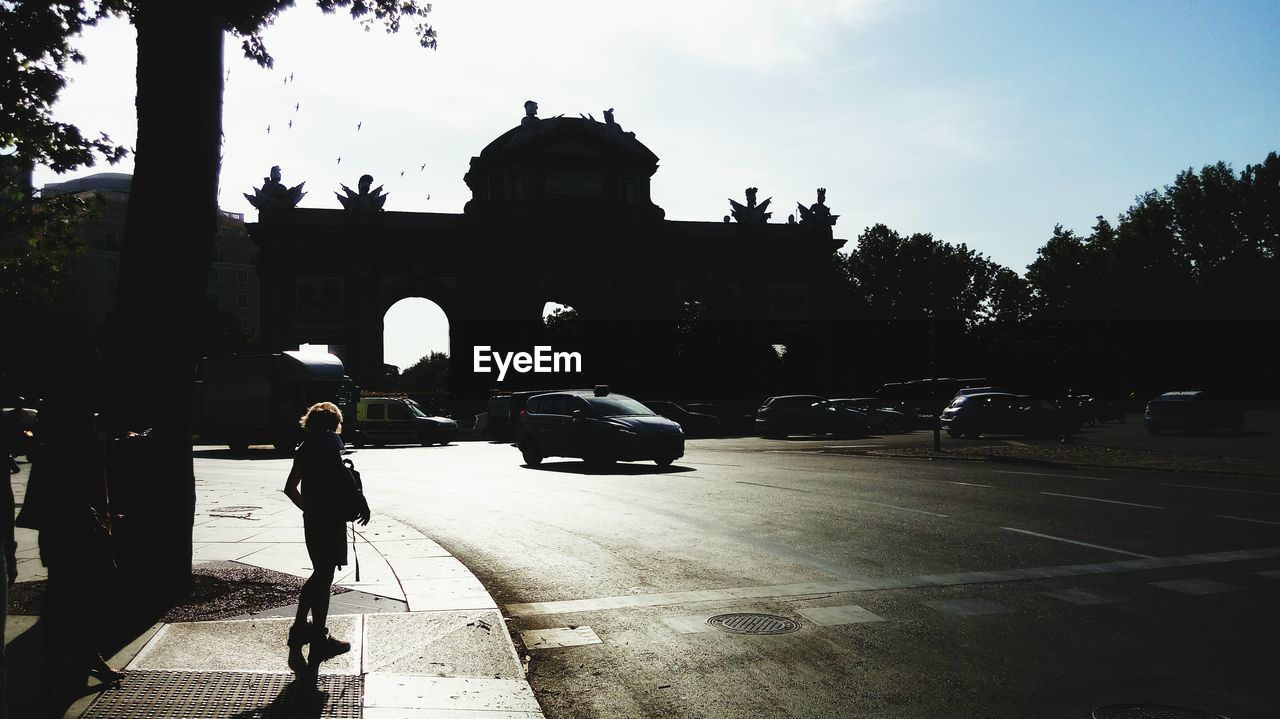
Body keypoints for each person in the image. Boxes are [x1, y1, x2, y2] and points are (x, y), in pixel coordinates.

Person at [21, 391, 124, 713]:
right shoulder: (76, 446)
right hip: (80, 533)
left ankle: (58, 666)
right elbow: (86, 489)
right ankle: (81, 659)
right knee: (86, 598)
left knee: (61, 599)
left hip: (62, 533)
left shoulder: (51, 448)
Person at [282, 402, 370, 674]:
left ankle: (309, 632)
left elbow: (290, 488)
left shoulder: (305, 447)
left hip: (313, 520)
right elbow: (342, 476)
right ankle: (308, 633)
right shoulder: (330, 441)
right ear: (333, 423)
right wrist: (361, 501)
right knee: (323, 575)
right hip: (330, 519)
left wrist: (310, 509)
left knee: (322, 573)